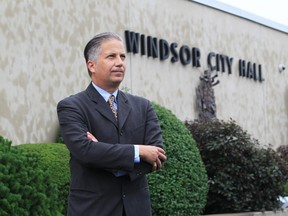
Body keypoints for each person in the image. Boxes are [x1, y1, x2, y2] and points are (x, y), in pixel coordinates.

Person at [57, 32, 167, 216]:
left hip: (136, 209)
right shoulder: (72, 107)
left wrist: (101, 152)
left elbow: (158, 155)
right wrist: (138, 152)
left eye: (122, 57)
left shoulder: (143, 106)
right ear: (91, 65)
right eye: (111, 56)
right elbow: (84, 151)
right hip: (93, 209)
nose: (120, 62)